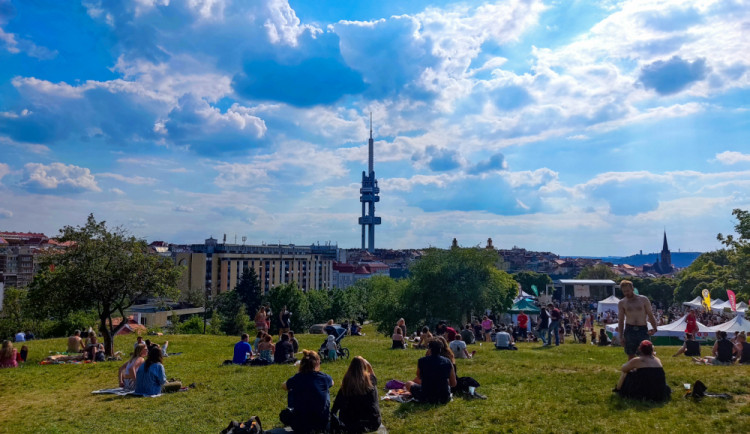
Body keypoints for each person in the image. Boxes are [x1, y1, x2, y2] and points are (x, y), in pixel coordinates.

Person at [281, 350, 334, 433]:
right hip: (321, 423)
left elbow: (284, 386)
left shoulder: (297, 378)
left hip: (300, 425)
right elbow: (332, 383)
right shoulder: (324, 378)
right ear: (317, 363)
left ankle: (292, 410)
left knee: (291, 390)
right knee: (326, 389)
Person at [331, 356, 381, 433]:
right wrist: (369, 366)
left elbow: (336, 405)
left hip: (349, 423)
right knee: (373, 387)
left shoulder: (347, 384)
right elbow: (374, 378)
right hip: (371, 423)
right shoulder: (370, 381)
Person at [405, 339, 457, 404]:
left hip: (426, 396)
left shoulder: (422, 361)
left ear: (430, 349)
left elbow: (419, 376)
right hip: (444, 397)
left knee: (408, 383)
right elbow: (453, 383)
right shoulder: (448, 361)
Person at [617, 280, 658, 360]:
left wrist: (655, 328)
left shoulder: (643, 299)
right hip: (629, 329)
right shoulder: (622, 303)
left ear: (632, 288)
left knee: (647, 352)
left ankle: (650, 369)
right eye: (624, 291)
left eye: (628, 291)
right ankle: (631, 371)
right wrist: (621, 336)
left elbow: (650, 315)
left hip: (642, 329)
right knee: (631, 353)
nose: (626, 293)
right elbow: (621, 320)